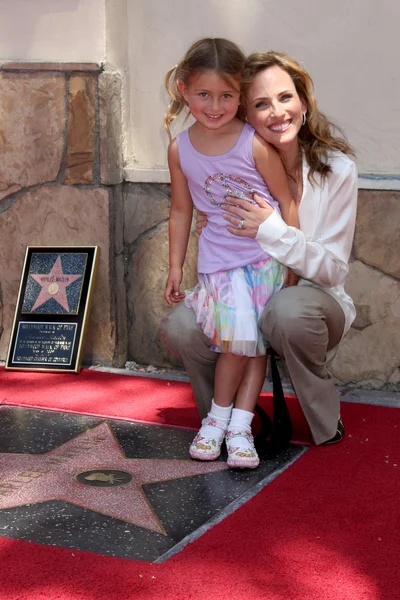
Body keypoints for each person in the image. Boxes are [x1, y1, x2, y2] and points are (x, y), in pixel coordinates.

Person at [161, 49, 358, 448]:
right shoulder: (237, 157)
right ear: (245, 114)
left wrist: (271, 230)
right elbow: (191, 204)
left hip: (313, 299)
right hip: (241, 282)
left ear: (303, 101)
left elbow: (334, 270)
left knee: (285, 312)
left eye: (286, 97)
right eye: (261, 104)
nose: (277, 112)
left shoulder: (337, 170)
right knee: (181, 326)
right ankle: (225, 424)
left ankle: (323, 418)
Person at [163, 38, 299, 469]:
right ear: (185, 91)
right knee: (238, 345)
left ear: (240, 94)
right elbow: (182, 210)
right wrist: (174, 266)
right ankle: (222, 421)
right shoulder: (179, 149)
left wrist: (292, 262)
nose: (215, 105)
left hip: (264, 262)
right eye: (204, 94)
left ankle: (234, 427)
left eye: (226, 95)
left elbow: (287, 201)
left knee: (251, 345)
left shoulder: (253, 144)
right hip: (220, 265)